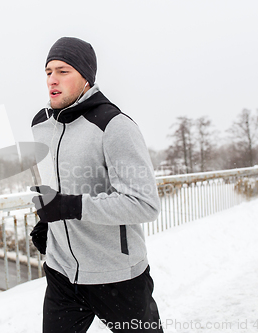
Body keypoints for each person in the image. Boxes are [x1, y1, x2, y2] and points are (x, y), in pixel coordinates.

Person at [30, 37, 164, 333]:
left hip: (117, 276)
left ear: (86, 78)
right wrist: (48, 222)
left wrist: (70, 206)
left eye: (63, 71)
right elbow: (56, 186)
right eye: (48, 71)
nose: (53, 79)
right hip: (61, 273)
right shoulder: (40, 126)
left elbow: (145, 203)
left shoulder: (114, 125)